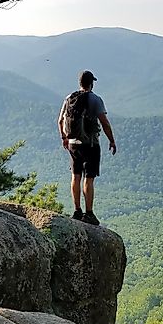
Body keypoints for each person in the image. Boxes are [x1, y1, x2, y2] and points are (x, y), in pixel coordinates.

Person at [57, 70, 116, 225]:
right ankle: (89, 213)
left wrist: (64, 138)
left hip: (73, 145)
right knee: (88, 178)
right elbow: (104, 123)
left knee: (75, 176)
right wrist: (112, 140)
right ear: (92, 83)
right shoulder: (95, 99)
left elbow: (60, 121)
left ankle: (77, 211)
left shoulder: (69, 98)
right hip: (90, 144)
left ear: (79, 83)